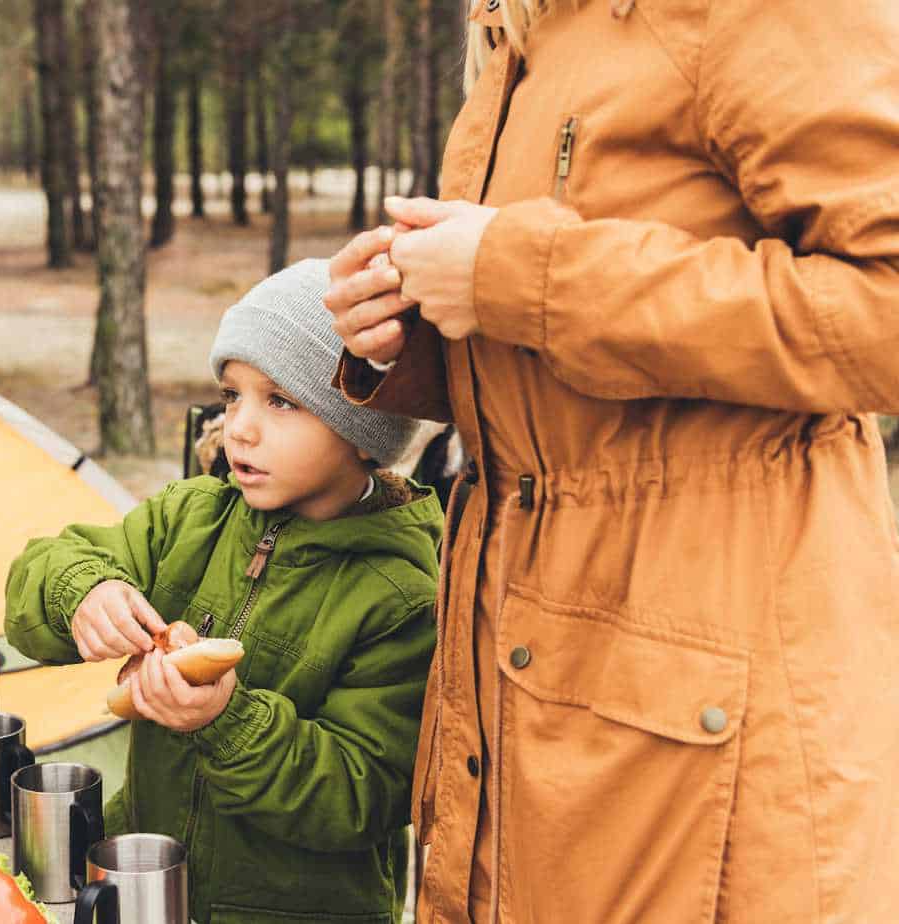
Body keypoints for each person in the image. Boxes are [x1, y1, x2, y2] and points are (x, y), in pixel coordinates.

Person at [325, 0, 899, 921]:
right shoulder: (528, 26)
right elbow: (582, 368)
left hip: (712, 699)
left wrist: (522, 276)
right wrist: (415, 332)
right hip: (540, 675)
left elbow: (884, 312)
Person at [6, 260, 442, 923]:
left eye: (281, 400)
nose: (238, 426)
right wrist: (83, 592)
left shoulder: (401, 596)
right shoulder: (192, 516)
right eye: (232, 394)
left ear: (364, 430)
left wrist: (227, 722)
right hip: (147, 890)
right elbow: (39, 574)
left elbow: (361, 794)